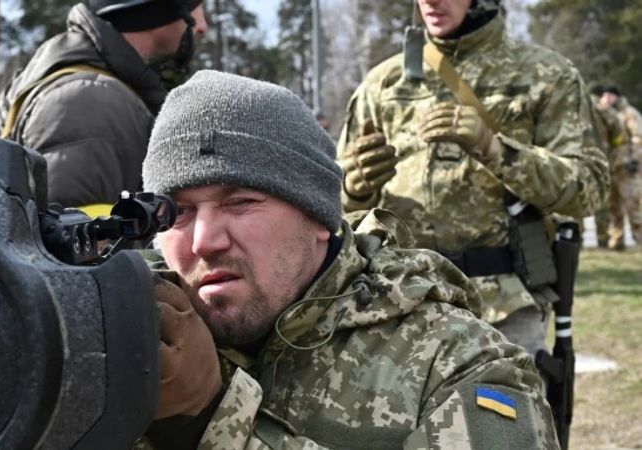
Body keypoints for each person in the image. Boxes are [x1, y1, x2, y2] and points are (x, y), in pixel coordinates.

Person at [133, 70, 557, 449]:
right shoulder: (128, 337)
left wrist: (211, 420)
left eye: (241, 202)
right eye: (178, 213)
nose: (204, 241)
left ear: (319, 216)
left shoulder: (454, 362)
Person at [338, 0, 609, 357]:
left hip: (501, 307)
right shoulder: (383, 83)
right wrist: (352, 189)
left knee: (503, 412)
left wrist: (498, 151)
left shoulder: (546, 75)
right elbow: (336, 211)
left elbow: (589, 187)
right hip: (397, 302)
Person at [0, 0, 207, 211]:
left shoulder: (95, 89)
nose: (201, 26)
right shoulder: (91, 102)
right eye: (194, 6)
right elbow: (86, 240)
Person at [598, 85, 642, 249]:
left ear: (617, 96)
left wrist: (634, 161)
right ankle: (617, 240)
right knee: (614, 207)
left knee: (633, 205)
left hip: (627, 168)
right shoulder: (606, 114)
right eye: (605, 95)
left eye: (611, 95)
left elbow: (638, 138)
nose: (607, 98)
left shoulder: (629, 113)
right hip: (611, 168)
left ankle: (639, 240)